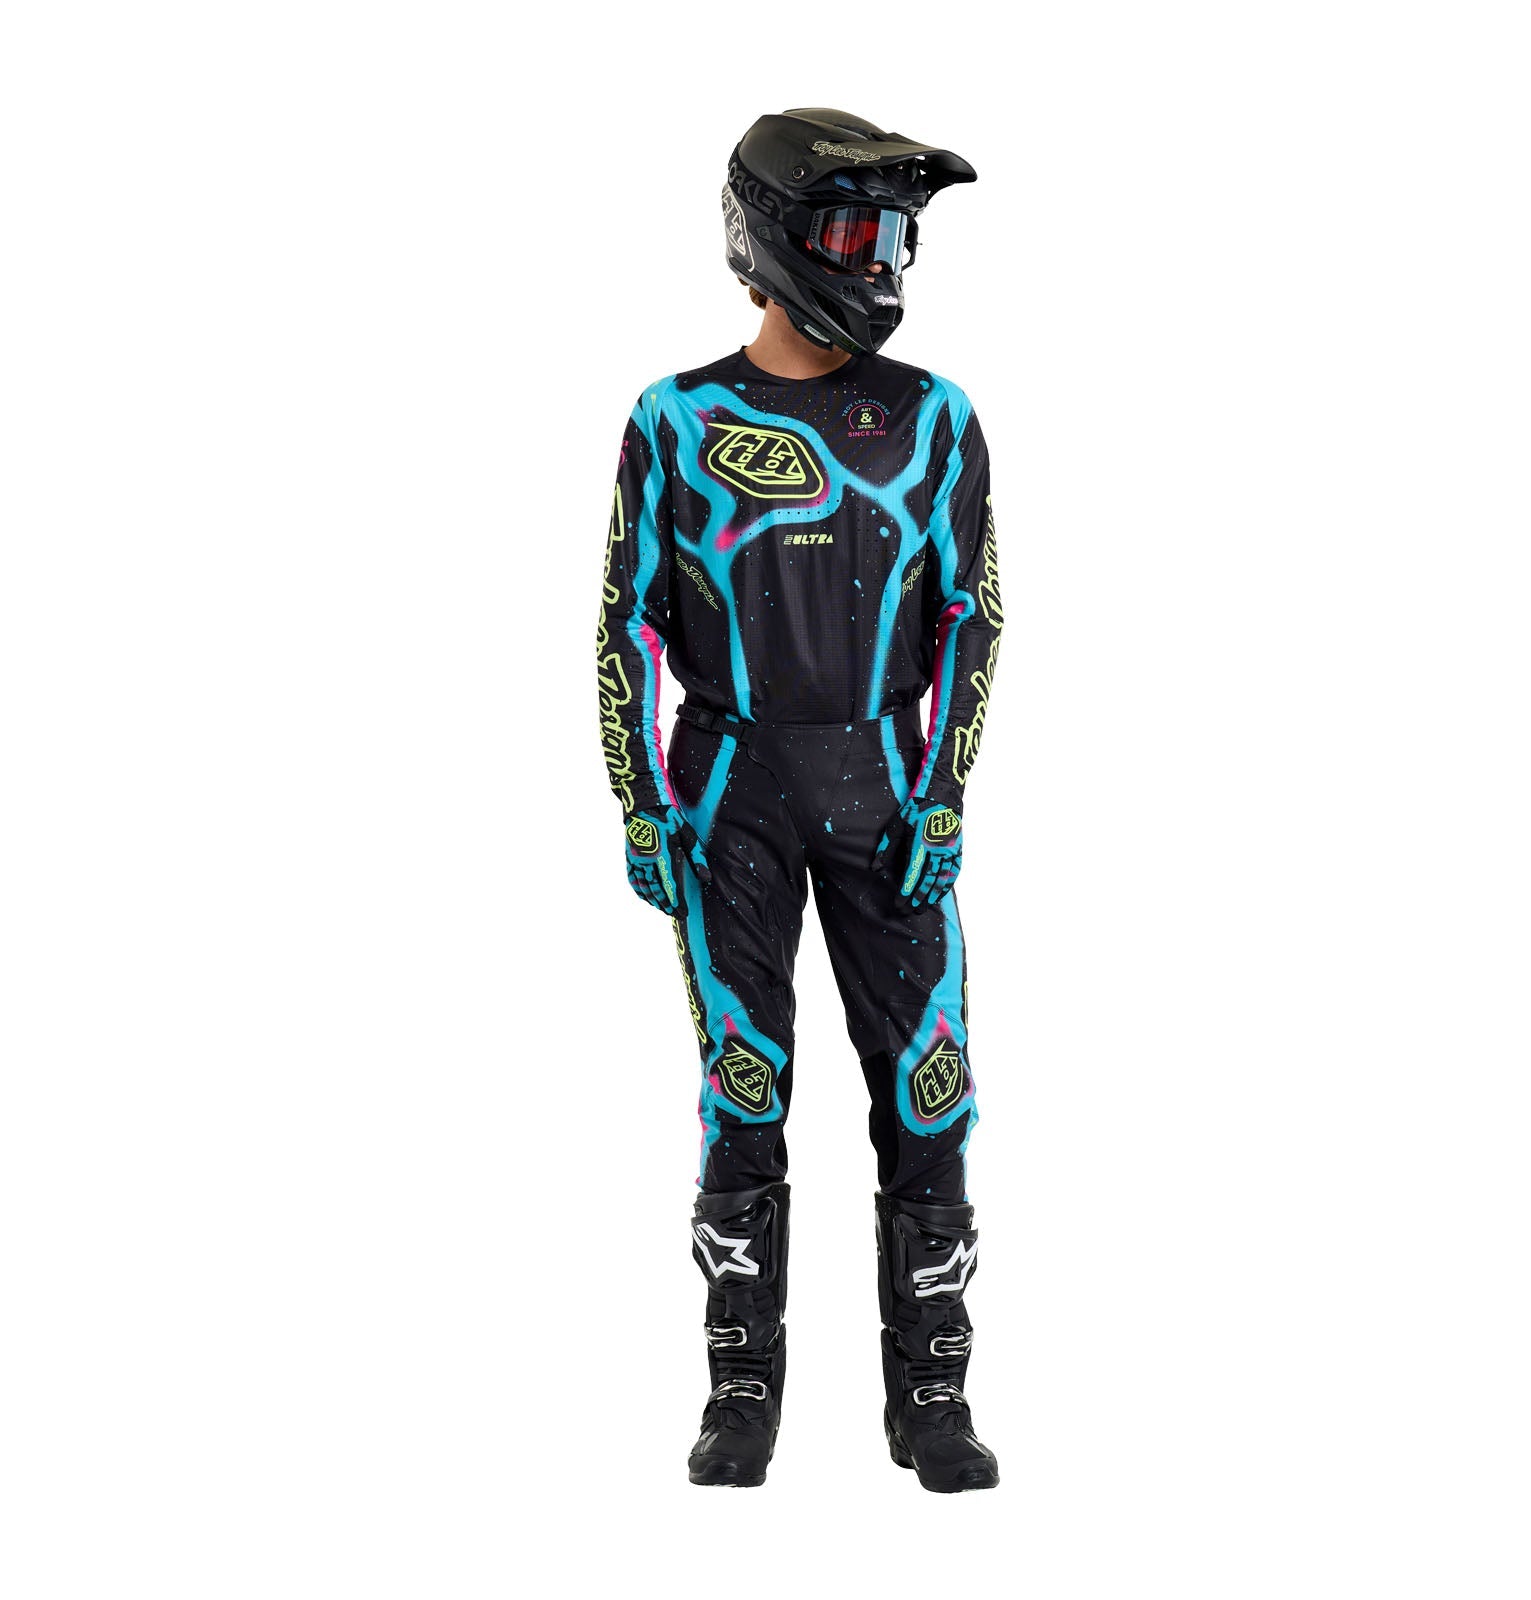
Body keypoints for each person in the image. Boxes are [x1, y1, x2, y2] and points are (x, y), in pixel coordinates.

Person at [596, 108, 1003, 1492]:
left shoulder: (939, 418)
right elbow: (622, 623)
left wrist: (944, 793)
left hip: (888, 788)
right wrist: (640, 804)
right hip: (731, 792)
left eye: (897, 235)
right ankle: (740, 1395)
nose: (880, 260)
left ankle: (932, 1398)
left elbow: (976, 614)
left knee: (929, 1090)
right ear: (770, 235)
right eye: (852, 229)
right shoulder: (673, 419)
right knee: (743, 1087)